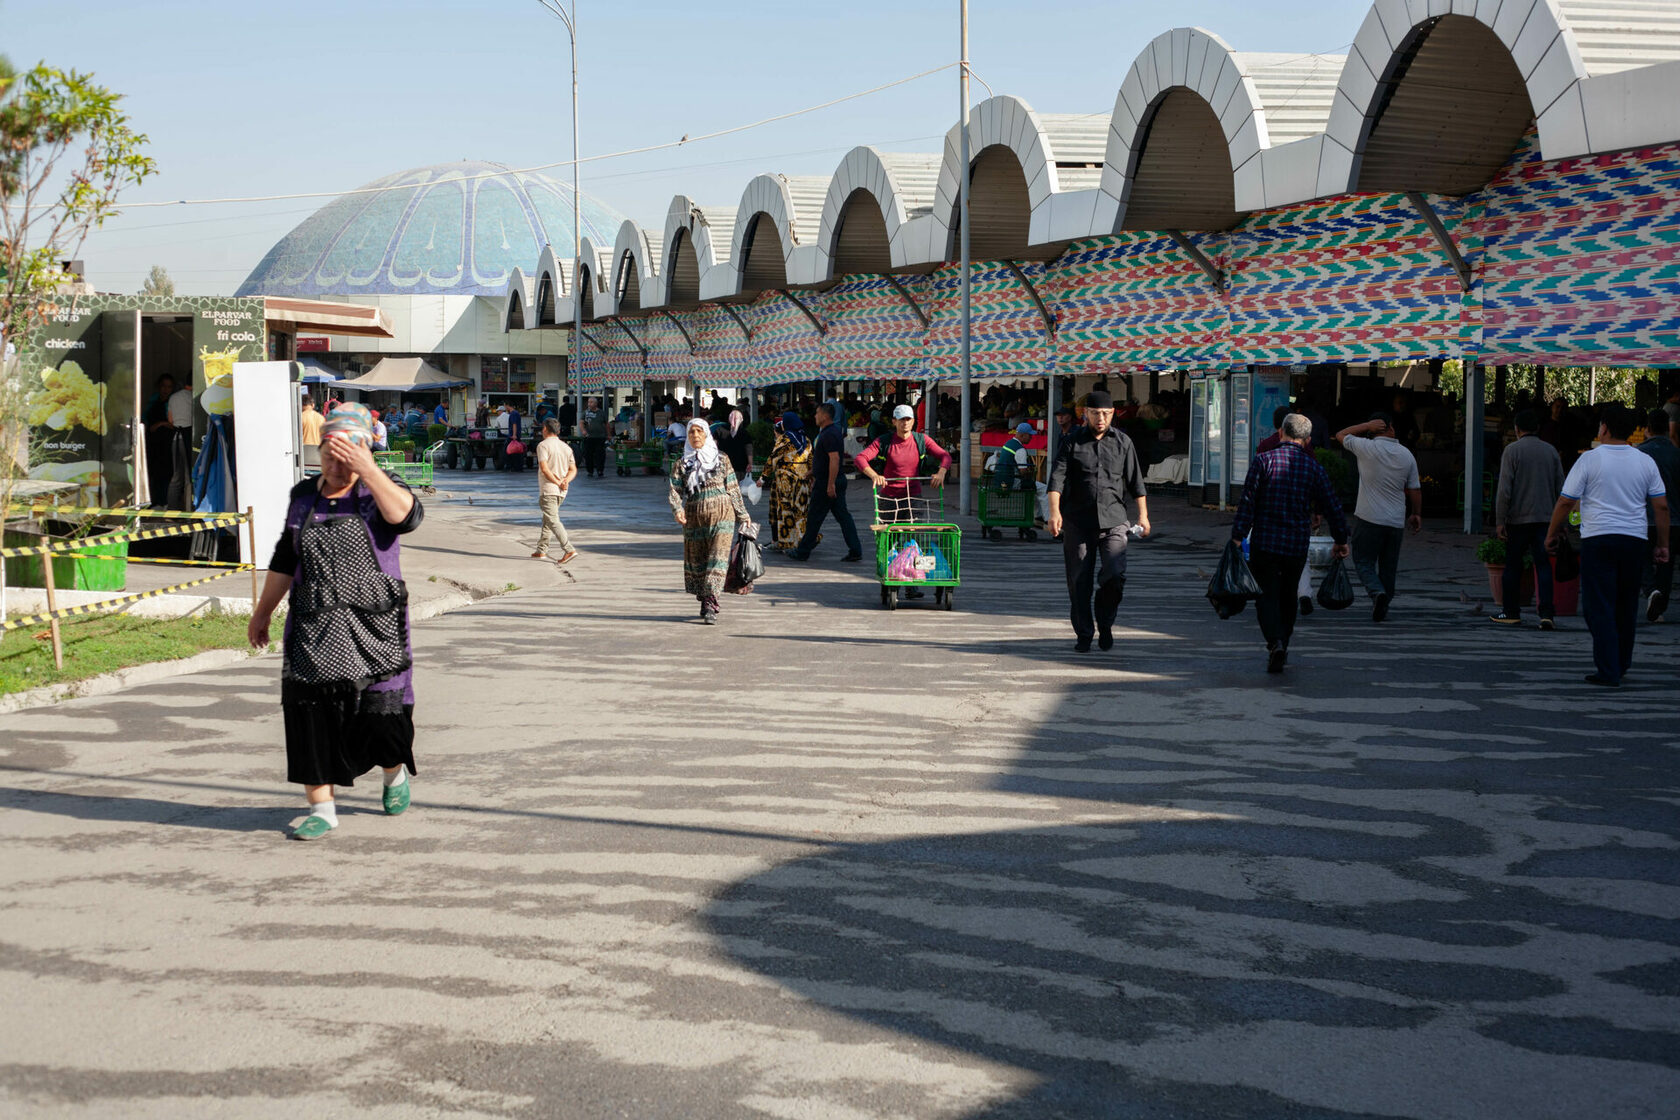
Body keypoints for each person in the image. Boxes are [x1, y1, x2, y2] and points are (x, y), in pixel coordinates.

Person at [246, 403, 423, 841]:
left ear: (364, 451)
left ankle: (392, 773)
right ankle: (321, 807)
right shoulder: (303, 496)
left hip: (374, 631)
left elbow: (408, 517)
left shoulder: (381, 490)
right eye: (329, 452)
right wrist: (263, 611)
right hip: (313, 629)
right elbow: (285, 558)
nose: (335, 462)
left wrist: (368, 469)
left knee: (382, 722)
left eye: (346, 454)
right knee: (309, 718)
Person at [1547, 403, 1670, 686]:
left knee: (1597, 605)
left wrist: (1552, 532)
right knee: (1626, 604)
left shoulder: (1589, 459)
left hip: (1599, 539)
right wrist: (1662, 544)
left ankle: (1608, 669)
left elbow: (1566, 501)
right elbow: (1661, 507)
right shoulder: (1644, 461)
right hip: (1634, 540)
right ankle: (1621, 663)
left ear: (1604, 428)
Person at [1230, 413, 1351, 672]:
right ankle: (1283, 640)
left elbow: (1247, 504)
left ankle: (1274, 642)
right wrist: (1341, 539)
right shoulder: (1313, 468)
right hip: (1296, 544)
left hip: (1265, 542)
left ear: (1281, 432)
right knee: (1288, 595)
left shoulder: (1263, 461)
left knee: (1266, 595)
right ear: (1307, 441)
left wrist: (1238, 537)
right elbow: (1332, 505)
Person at [1047, 390, 1151, 653]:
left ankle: (1105, 623)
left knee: (1115, 575)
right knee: (1079, 581)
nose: (1101, 418)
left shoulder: (1123, 442)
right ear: (1085, 415)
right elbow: (1056, 479)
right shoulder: (1072, 441)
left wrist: (1143, 516)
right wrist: (1054, 512)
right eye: (1095, 414)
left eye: (1105, 413)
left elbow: (1136, 482)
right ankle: (1084, 633)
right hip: (1077, 522)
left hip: (1115, 522)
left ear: (1112, 414)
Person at [1334, 412, 1422, 622]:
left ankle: (1376, 593)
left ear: (1374, 429)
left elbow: (1340, 435)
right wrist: (1416, 513)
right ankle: (1384, 600)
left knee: (1363, 560)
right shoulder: (1406, 454)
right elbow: (1415, 489)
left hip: (1368, 518)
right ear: (1392, 427)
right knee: (1388, 566)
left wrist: (1366, 424)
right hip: (1395, 521)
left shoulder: (1366, 447)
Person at [668, 418, 751, 624]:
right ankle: (705, 597)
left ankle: (710, 603)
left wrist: (743, 514)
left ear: (707, 434)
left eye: (699, 431)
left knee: (717, 558)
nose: (695, 435)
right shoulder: (681, 464)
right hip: (695, 517)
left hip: (722, 514)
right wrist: (678, 509)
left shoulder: (721, 459)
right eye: (691, 432)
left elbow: (732, 488)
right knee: (700, 561)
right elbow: (675, 491)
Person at [1490, 408, 1565, 628]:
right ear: (1538, 429)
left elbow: (1504, 490)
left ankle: (1511, 612)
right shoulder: (1550, 451)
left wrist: (1500, 520)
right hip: (1545, 519)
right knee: (1543, 566)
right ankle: (1547, 614)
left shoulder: (1512, 451)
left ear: (1516, 429)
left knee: (1513, 566)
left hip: (1518, 520)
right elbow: (1562, 489)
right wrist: (1561, 523)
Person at [788, 402, 864, 562]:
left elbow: (834, 459)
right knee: (843, 517)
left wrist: (830, 484)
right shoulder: (829, 432)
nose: (815, 416)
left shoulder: (829, 434)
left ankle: (802, 552)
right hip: (830, 480)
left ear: (824, 415)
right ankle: (855, 549)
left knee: (815, 517)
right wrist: (811, 472)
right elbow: (823, 461)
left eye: (817, 413)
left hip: (827, 484)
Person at [1637, 407, 1679, 621]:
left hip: (1643, 516)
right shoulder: (1676, 453)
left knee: (1641, 557)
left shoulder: (1638, 453)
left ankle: (1651, 590)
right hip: (1673, 518)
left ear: (1648, 428)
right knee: (1666, 561)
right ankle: (1659, 604)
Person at [758, 412, 813, 552]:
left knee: (785, 510)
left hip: (786, 481)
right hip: (803, 480)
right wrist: (812, 478)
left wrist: (763, 477)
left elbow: (773, 458)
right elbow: (812, 460)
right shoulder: (806, 439)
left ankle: (787, 543)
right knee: (801, 512)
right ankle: (801, 542)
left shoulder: (786, 439)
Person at [532, 418, 579, 564]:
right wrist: (566, 481)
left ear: (545, 429)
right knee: (548, 519)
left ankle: (568, 549)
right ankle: (541, 550)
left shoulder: (543, 446)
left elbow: (544, 469)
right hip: (562, 491)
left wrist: (558, 481)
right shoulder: (566, 447)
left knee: (552, 520)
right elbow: (573, 470)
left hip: (549, 489)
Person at [142, 374, 177, 507]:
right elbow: (145, 418)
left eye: (169, 387)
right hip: (152, 443)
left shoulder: (173, 402)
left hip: (167, 443)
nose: (165, 389)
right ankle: (152, 502)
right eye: (163, 386)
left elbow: (175, 423)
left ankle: (164, 502)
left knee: (165, 473)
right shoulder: (153, 400)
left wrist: (160, 424)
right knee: (152, 473)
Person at [165, 379, 195, 511]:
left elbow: (170, 420)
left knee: (176, 475)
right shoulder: (194, 396)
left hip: (176, 437)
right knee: (190, 476)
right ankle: (189, 510)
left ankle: (172, 510)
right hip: (190, 436)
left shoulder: (173, 397)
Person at [992, 422, 1036, 489]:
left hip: (1000, 481)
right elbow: (1023, 472)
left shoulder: (1008, 443)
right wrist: (1030, 472)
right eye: (1030, 435)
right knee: (1044, 489)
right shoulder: (1020, 449)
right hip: (1012, 482)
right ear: (1022, 435)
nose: (1031, 438)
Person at [716, 408, 754, 480]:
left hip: (722, 465)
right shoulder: (744, 433)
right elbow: (749, 449)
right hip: (740, 466)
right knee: (737, 488)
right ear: (741, 419)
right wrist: (750, 463)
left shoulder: (720, 430)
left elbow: (713, 446)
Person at [580, 397, 609, 478]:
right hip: (589, 437)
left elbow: (606, 424)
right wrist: (583, 431)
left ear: (596, 404)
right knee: (588, 454)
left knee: (600, 454)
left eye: (591, 402)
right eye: (589, 402)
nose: (589, 404)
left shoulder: (601, 413)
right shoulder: (585, 413)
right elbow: (581, 423)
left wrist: (609, 435)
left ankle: (600, 470)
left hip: (600, 437)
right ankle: (590, 471)